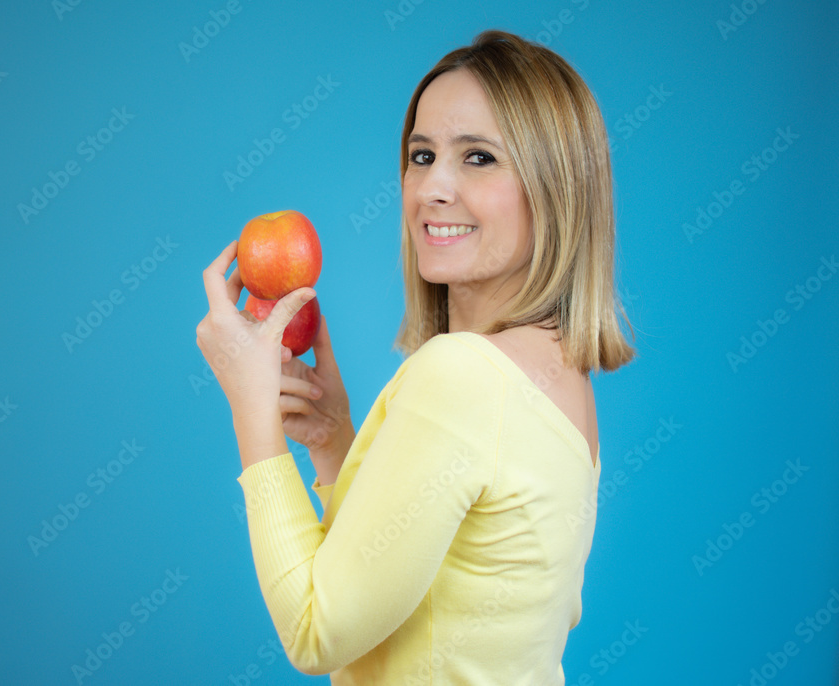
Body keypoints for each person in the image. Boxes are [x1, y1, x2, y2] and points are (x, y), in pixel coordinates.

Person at [196, 29, 636, 684]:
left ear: (556, 189)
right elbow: (427, 590)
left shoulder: (464, 375)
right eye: (422, 155)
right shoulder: (555, 379)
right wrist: (334, 443)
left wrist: (251, 415)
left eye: (479, 158)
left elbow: (317, 630)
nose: (432, 187)